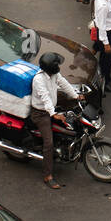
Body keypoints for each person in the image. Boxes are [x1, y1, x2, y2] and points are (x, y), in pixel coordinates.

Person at [31, 52, 85, 189]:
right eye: (56, 64)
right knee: (49, 143)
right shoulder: (39, 80)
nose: (58, 66)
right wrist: (53, 113)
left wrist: (76, 96)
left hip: (51, 109)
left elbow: (65, 84)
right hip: (40, 113)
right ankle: (48, 175)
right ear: (51, 67)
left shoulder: (54, 75)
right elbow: (45, 98)